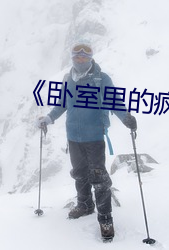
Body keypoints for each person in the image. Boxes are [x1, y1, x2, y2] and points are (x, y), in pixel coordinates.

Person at [36, 39, 137, 242]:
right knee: (79, 173)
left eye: (85, 55)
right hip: (73, 137)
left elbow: (114, 101)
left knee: (98, 178)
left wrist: (126, 117)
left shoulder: (101, 79)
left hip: (94, 137)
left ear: (90, 57)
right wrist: (49, 118)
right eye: (77, 55)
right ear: (72, 57)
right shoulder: (68, 80)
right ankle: (85, 204)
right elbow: (62, 105)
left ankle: (105, 219)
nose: (81, 57)